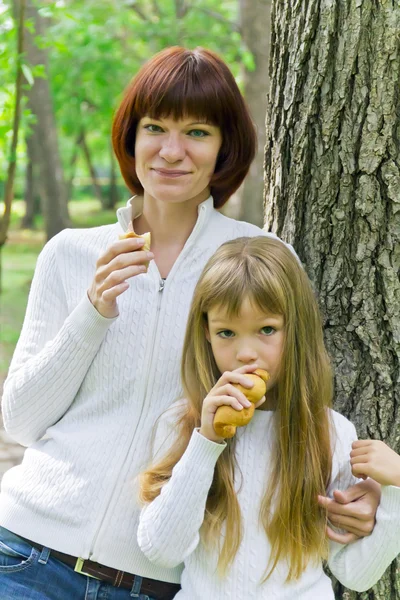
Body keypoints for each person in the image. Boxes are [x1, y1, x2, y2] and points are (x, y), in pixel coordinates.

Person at [0, 47, 379, 600]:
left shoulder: (259, 259)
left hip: (159, 577)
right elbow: (22, 423)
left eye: (198, 131)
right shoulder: (71, 254)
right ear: (131, 136)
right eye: (154, 127)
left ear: (225, 146)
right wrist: (92, 314)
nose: (171, 151)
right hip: (26, 555)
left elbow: (289, 413)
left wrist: (358, 496)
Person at [138, 236, 400, 599]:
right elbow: (161, 550)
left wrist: (397, 492)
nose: (246, 353)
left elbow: (356, 573)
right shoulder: (184, 422)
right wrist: (207, 442)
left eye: (266, 330)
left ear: (296, 330)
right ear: (206, 335)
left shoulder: (330, 432)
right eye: (226, 333)